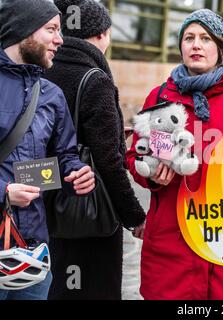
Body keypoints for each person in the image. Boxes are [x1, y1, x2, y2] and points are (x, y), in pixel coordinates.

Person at [126, 9, 223, 300]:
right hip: (173, 246)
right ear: (181, 46)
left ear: (221, 49)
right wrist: (154, 176)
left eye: (205, 38)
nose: (196, 45)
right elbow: (136, 157)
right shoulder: (160, 98)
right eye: (189, 38)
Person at [42, 0, 146, 300]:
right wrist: (134, 215)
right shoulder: (94, 78)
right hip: (88, 215)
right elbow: (108, 161)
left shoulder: (40, 70)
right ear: (102, 34)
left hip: (41, 208)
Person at [0, 0, 95, 300]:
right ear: (22, 30)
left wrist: (77, 172)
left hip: (33, 252)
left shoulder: (52, 94)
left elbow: (65, 155)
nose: (60, 40)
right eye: (51, 29)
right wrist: (3, 191)